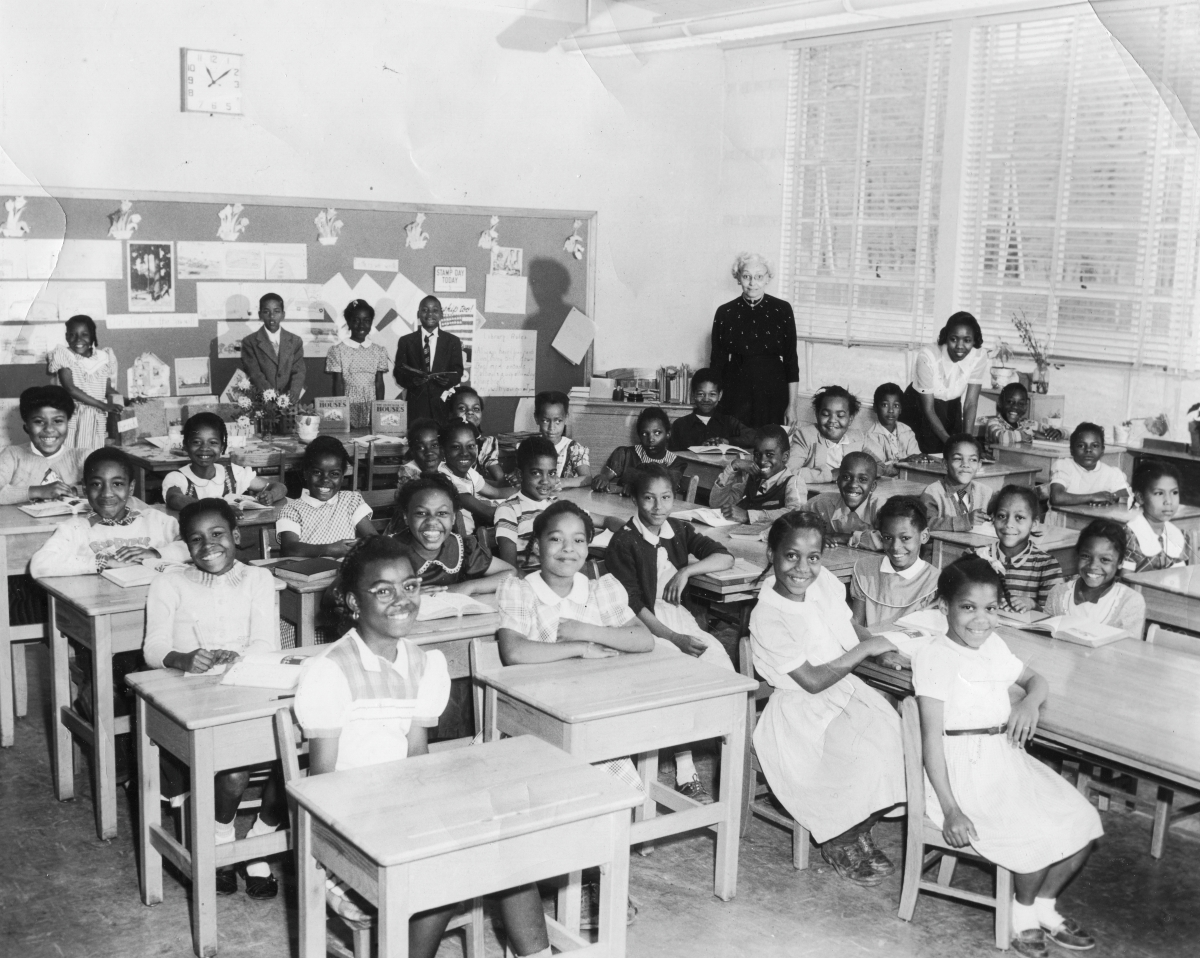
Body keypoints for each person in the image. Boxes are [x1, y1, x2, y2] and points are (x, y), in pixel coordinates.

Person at [293, 538, 552, 958]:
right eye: (382, 590)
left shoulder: (422, 664)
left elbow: (417, 759)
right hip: (348, 835)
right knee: (442, 868)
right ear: (351, 601)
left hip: (404, 814)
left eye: (410, 586)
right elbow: (322, 787)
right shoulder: (330, 672)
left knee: (507, 845)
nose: (401, 600)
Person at [914, 557, 1102, 955]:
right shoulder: (934, 657)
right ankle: (1022, 915)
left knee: (1083, 820)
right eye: (968, 607)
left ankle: (1044, 908)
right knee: (1035, 833)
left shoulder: (994, 645)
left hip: (1004, 760)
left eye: (991, 608)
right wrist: (950, 809)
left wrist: (1029, 704)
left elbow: (1037, 679)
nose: (981, 620)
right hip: (959, 775)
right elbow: (931, 741)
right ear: (943, 606)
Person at [749, 511, 907, 887]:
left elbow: (846, 624)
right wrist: (866, 652)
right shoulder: (767, 615)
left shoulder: (822, 585)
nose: (802, 568)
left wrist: (876, 648)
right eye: (791, 556)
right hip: (800, 711)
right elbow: (813, 681)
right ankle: (840, 837)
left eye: (813, 557)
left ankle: (857, 826)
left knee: (898, 740)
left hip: (844, 691)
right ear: (772, 553)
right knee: (862, 756)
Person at [143, 498, 286, 900]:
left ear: (236, 536)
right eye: (196, 539)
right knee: (236, 771)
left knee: (295, 755)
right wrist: (181, 657)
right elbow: (153, 647)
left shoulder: (258, 580)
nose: (209, 545)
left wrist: (240, 658)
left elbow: (264, 641)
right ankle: (222, 841)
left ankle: (259, 836)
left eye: (218, 534)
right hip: (192, 692)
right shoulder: (168, 582)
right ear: (186, 547)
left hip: (247, 683)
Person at [606, 464, 736, 804]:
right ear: (634, 499)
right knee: (679, 678)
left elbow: (724, 557)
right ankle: (685, 768)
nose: (658, 506)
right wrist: (673, 639)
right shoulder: (624, 541)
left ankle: (729, 765)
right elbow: (633, 604)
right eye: (649, 498)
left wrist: (688, 569)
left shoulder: (677, 529)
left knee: (721, 667)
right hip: (644, 627)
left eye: (666, 497)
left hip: (681, 619)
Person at [30, 447, 189, 577]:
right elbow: (39, 564)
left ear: (131, 488)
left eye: (117, 484)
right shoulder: (76, 529)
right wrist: (104, 561)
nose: (107, 493)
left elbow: (195, 546)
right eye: (97, 484)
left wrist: (155, 553)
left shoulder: (155, 520)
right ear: (85, 488)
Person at [709, 252, 800, 427]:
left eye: (759, 277)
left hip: (773, 393)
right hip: (735, 393)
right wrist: (716, 406)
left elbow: (791, 361)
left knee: (768, 446)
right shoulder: (725, 312)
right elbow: (717, 365)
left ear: (768, 278)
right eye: (746, 276)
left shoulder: (782, 310)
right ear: (737, 278)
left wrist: (792, 407)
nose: (752, 283)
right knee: (736, 444)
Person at [390, 474, 514, 593]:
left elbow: (510, 572)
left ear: (453, 518)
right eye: (421, 513)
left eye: (442, 513)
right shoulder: (389, 551)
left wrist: (469, 587)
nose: (432, 522)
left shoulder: (461, 548)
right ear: (406, 517)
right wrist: (406, 593)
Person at [900, 312, 989, 454]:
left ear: (974, 340)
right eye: (953, 339)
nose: (960, 346)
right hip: (920, 409)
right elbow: (928, 409)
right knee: (926, 457)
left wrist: (968, 442)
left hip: (951, 407)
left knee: (956, 456)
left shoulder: (979, 355)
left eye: (967, 340)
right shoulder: (927, 356)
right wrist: (948, 442)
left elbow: (971, 403)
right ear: (946, 337)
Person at [162, 413, 286, 512]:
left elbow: (280, 487)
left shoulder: (233, 473)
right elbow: (175, 499)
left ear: (222, 447)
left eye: (213, 443)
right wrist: (219, 509)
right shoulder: (177, 477)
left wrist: (271, 495)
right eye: (196, 442)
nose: (205, 448)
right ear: (185, 446)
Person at [277, 436, 376, 558]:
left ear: (342, 476)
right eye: (317, 472)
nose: (325, 480)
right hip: (309, 573)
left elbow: (374, 540)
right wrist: (329, 549)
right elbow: (289, 549)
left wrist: (362, 544)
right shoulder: (292, 509)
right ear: (305, 473)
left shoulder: (350, 500)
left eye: (334, 474)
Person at [969, 485, 1063, 613]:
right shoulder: (975, 556)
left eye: (1019, 517)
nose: (1009, 524)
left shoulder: (1047, 565)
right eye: (1002, 516)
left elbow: (1054, 614)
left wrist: (1032, 605)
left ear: (1034, 524)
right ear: (993, 519)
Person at [1044, 519, 1146, 637]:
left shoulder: (1130, 601)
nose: (1093, 566)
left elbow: (1130, 651)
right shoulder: (1058, 594)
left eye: (1105, 560)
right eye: (1086, 556)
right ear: (1077, 556)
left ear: (1120, 562)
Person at [849, 495, 939, 626]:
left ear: (924, 536)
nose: (895, 547)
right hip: (868, 644)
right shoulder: (865, 569)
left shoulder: (934, 582)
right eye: (887, 537)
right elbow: (856, 625)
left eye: (905, 538)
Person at [0, 385, 87, 504]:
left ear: (67, 425)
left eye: (58, 421)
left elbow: (106, 489)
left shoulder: (83, 457)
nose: (49, 429)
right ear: (27, 427)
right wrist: (37, 491)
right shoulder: (12, 455)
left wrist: (73, 491)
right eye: (39, 422)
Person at [47, 314, 120, 450]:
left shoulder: (104, 357)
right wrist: (102, 405)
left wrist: (126, 401)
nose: (78, 339)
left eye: (84, 334)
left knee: (93, 454)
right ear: (66, 336)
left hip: (97, 418)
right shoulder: (65, 356)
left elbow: (106, 388)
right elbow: (70, 388)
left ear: (92, 335)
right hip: (75, 416)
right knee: (74, 455)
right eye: (72, 334)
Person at [710, 425, 806, 524]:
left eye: (769, 455)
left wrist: (748, 515)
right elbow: (717, 504)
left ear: (785, 457)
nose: (762, 461)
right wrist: (733, 467)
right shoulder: (753, 478)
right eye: (757, 454)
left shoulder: (793, 482)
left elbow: (795, 515)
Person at [392, 295, 464, 426]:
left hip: (443, 406)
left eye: (435, 310)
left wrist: (448, 380)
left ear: (441, 314)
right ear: (418, 314)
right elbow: (399, 373)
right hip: (416, 407)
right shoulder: (406, 341)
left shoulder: (452, 341)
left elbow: (458, 372)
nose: (430, 314)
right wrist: (412, 381)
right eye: (425, 310)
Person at [437, 421, 512, 534]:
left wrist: (526, 491)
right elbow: (487, 513)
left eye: (470, 446)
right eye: (456, 447)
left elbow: (496, 492)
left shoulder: (469, 473)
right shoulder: (446, 479)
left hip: (473, 532)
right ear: (443, 451)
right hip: (462, 541)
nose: (464, 452)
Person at [1122, 460, 1198, 572]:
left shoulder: (1178, 534)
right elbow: (1126, 577)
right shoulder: (1130, 536)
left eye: (1174, 492)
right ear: (1140, 497)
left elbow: (1182, 574)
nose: (1168, 501)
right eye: (1159, 493)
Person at [801, 451, 886, 549]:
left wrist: (841, 537)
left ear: (873, 486)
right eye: (846, 477)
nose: (853, 484)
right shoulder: (820, 505)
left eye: (862, 479)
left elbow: (892, 541)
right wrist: (814, 536)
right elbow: (791, 526)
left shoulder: (881, 508)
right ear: (838, 481)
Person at [325, 299, 390, 429]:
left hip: (371, 403)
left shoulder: (379, 350)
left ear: (371, 322)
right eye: (356, 320)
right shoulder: (337, 350)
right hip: (348, 403)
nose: (361, 325)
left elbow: (379, 382)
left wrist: (379, 410)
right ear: (348, 322)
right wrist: (342, 412)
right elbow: (338, 383)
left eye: (366, 321)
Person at [592, 407, 685, 495]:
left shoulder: (675, 464)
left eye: (657, 433)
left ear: (668, 434)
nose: (651, 439)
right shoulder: (625, 454)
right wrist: (602, 479)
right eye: (645, 434)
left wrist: (636, 488)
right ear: (639, 436)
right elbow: (605, 477)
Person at [385, 418, 452, 536]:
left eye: (434, 445)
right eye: (420, 447)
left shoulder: (444, 467)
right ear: (412, 452)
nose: (429, 452)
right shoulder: (408, 472)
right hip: (407, 531)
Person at [789, 386, 866, 483]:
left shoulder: (858, 437)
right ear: (817, 415)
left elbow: (878, 466)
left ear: (850, 419)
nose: (832, 420)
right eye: (825, 414)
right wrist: (830, 474)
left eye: (840, 415)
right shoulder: (804, 436)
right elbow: (789, 472)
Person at [668, 368, 756, 451]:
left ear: (720, 395)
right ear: (693, 395)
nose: (706, 399)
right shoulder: (680, 425)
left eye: (712, 394)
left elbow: (756, 437)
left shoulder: (729, 422)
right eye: (701, 394)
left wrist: (727, 442)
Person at [240, 293, 306, 403]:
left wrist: (294, 392)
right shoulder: (250, 342)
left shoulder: (295, 341)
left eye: (276, 311)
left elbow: (299, 371)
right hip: (263, 400)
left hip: (289, 399)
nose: (272, 316)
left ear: (283, 315)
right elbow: (255, 373)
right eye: (266, 312)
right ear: (260, 314)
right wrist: (271, 395)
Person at [1048, 423, 1131, 509]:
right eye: (1081, 446)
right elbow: (1056, 497)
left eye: (1095, 446)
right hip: (1061, 519)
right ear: (1072, 450)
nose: (1088, 450)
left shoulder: (1110, 472)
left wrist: (1110, 496)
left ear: (1102, 450)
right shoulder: (1064, 466)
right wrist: (1093, 497)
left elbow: (1128, 493)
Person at [919, 434, 992, 532]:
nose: (965, 465)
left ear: (979, 465)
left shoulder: (986, 492)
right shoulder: (932, 492)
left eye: (973, 460)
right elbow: (925, 524)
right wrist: (965, 521)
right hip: (943, 547)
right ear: (945, 464)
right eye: (958, 458)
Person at [978, 382, 1061, 455]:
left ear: (1026, 407)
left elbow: (1053, 429)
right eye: (1010, 402)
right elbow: (1002, 438)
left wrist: (1057, 432)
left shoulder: (1026, 423)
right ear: (1000, 402)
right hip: (996, 464)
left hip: (1017, 461)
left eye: (1021, 404)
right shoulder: (993, 422)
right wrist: (1032, 434)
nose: (1015, 407)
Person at [449, 385, 506, 484]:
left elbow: (500, 479)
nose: (470, 412)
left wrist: (507, 480)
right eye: (462, 408)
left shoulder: (485, 444)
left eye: (476, 409)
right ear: (451, 413)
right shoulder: (445, 443)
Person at [533, 390, 590, 487]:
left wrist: (562, 482)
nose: (552, 428)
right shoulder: (530, 446)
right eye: (546, 421)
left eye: (558, 421)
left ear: (566, 418)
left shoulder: (574, 448)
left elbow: (587, 478)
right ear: (536, 418)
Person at [862, 382, 920, 477]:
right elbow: (880, 469)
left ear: (901, 409)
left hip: (908, 480)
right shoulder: (871, 437)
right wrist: (904, 462)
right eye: (885, 405)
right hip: (884, 484)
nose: (891, 410)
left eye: (896, 405)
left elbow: (916, 461)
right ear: (875, 408)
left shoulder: (907, 431)